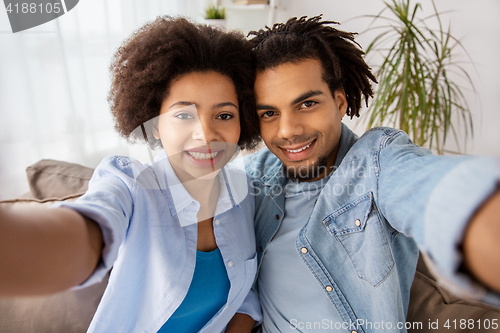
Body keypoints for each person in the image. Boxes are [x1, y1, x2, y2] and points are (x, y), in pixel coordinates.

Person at [0, 17, 262, 332]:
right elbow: (87, 232)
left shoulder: (246, 195)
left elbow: (245, 294)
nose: (206, 135)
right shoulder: (131, 185)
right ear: (154, 124)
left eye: (223, 115)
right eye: (182, 115)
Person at [245, 15, 500, 332]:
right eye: (269, 113)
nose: (288, 130)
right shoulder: (252, 177)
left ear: (339, 102)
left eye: (307, 104)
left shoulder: (378, 160)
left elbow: (432, 190)